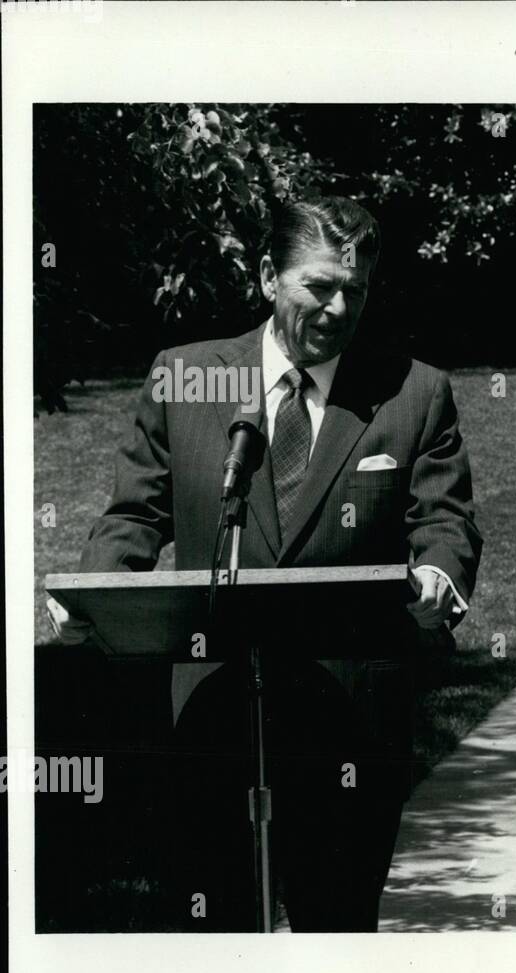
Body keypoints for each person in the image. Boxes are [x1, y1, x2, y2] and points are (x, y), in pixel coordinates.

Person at [47, 196, 483, 931]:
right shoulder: (185, 377)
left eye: (356, 291)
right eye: (319, 286)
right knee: (213, 933)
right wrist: (98, 588)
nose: (339, 309)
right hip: (209, 714)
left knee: (337, 938)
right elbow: (134, 515)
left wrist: (439, 576)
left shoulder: (412, 392)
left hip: (350, 722)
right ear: (265, 277)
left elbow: (445, 520)